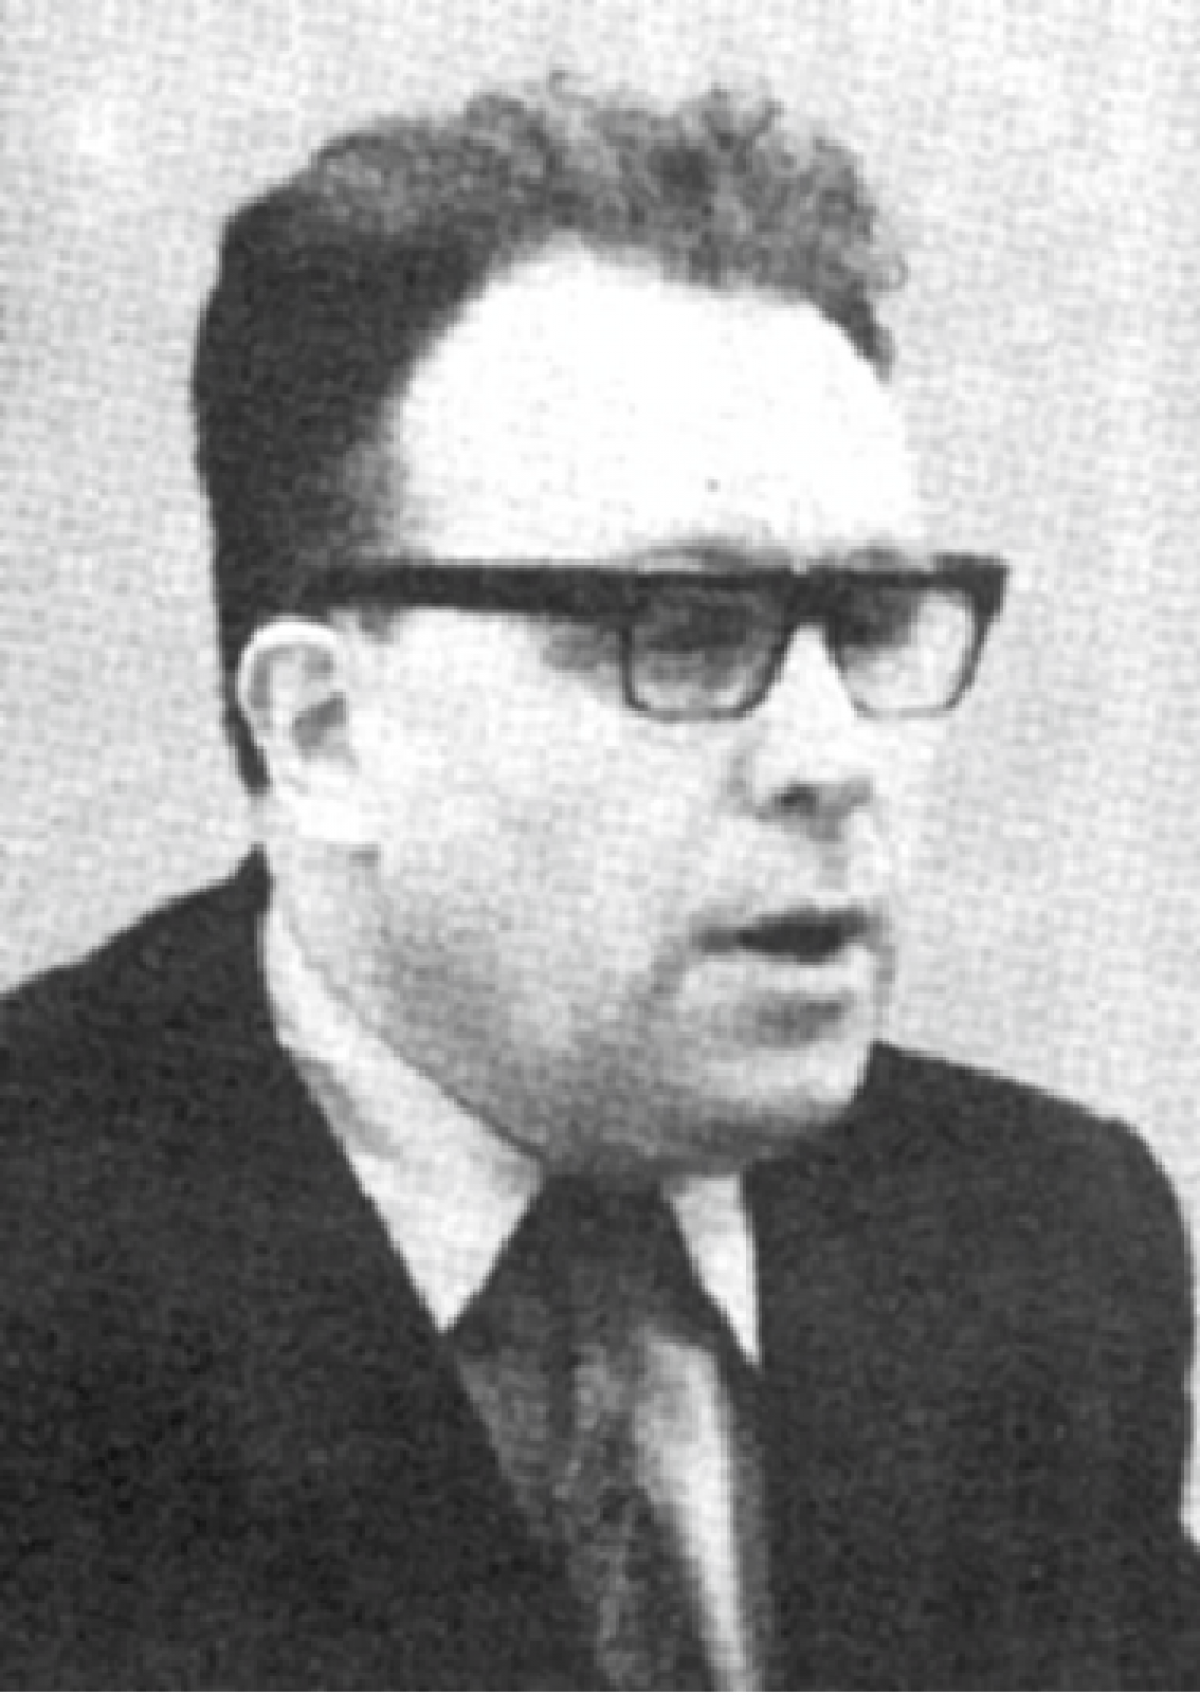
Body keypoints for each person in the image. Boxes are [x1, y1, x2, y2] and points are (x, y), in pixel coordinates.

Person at [1, 77, 1196, 1691]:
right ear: (324, 727)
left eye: (869, 624)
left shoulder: (1033, 1244)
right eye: (682, 631)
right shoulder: (43, 1265)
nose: (832, 754)